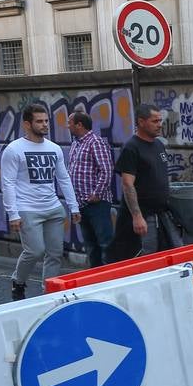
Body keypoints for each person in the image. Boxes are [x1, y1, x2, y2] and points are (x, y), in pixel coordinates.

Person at [2, 102, 80, 300]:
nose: (45, 125)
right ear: (27, 125)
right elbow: (8, 183)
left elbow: (63, 178)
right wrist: (13, 214)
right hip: (27, 209)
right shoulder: (14, 150)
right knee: (35, 251)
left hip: (53, 208)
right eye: (39, 121)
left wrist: (73, 206)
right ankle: (18, 281)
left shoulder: (54, 149)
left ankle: (48, 294)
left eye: (46, 121)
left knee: (55, 254)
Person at [106, 102, 184, 262]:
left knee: (177, 253)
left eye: (160, 121)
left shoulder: (159, 145)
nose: (160, 125)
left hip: (163, 214)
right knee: (146, 260)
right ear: (141, 122)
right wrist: (137, 216)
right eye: (155, 121)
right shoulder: (131, 148)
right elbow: (128, 184)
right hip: (143, 216)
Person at [67, 111, 115, 268]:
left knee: (105, 243)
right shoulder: (76, 144)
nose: (67, 126)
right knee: (91, 245)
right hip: (81, 204)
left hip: (97, 204)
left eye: (70, 123)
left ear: (79, 125)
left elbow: (106, 170)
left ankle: (110, 277)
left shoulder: (96, 142)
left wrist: (97, 194)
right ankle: (95, 277)